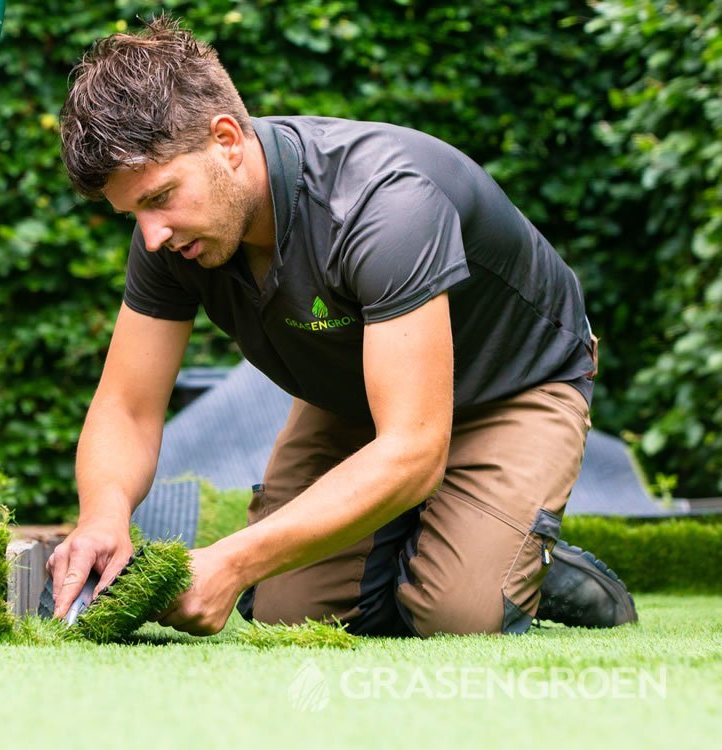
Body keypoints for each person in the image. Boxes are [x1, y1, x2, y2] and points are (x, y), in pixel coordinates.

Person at [45, 16, 637, 638]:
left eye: (161, 197)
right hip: (357, 391)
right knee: (286, 611)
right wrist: (102, 515)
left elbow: (412, 450)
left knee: (455, 612)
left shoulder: (382, 203)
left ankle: (518, 563)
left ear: (226, 139)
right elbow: (128, 406)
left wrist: (232, 560)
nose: (152, 233)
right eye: (132, 211)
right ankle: (458, 543)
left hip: (513, 387)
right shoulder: (171, 241)